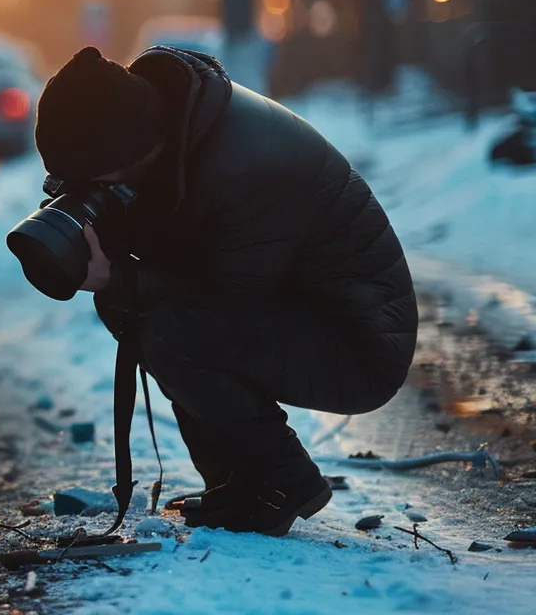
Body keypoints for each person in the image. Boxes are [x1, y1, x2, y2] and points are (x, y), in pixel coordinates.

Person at [31, 46, 416, 536]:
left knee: (173, 329)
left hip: (358, 340)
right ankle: (238, 481)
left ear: (125, 154)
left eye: (86, 181)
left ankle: (285, 483)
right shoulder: (172, 134)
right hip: (297, 310)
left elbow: (227, 295)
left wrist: (118, 275)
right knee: (141, 313)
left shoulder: (245, 165)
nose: (81, 190)